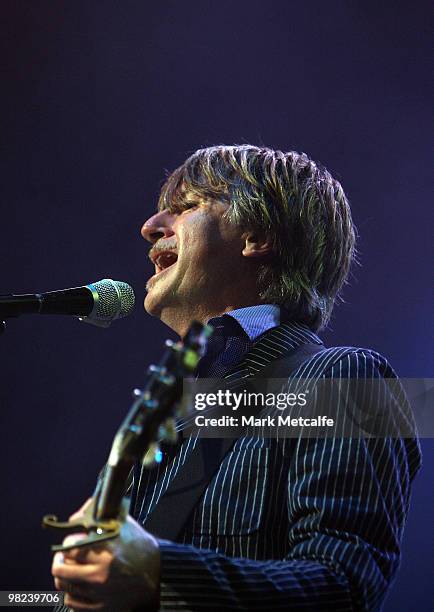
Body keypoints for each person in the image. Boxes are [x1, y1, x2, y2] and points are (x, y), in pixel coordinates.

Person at [52, 145, 421, 611]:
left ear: (257, 235)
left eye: (185, 206)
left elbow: (343, 586)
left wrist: (161, 571)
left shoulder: (342, 377)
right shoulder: (175, 406)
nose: (150, 227)